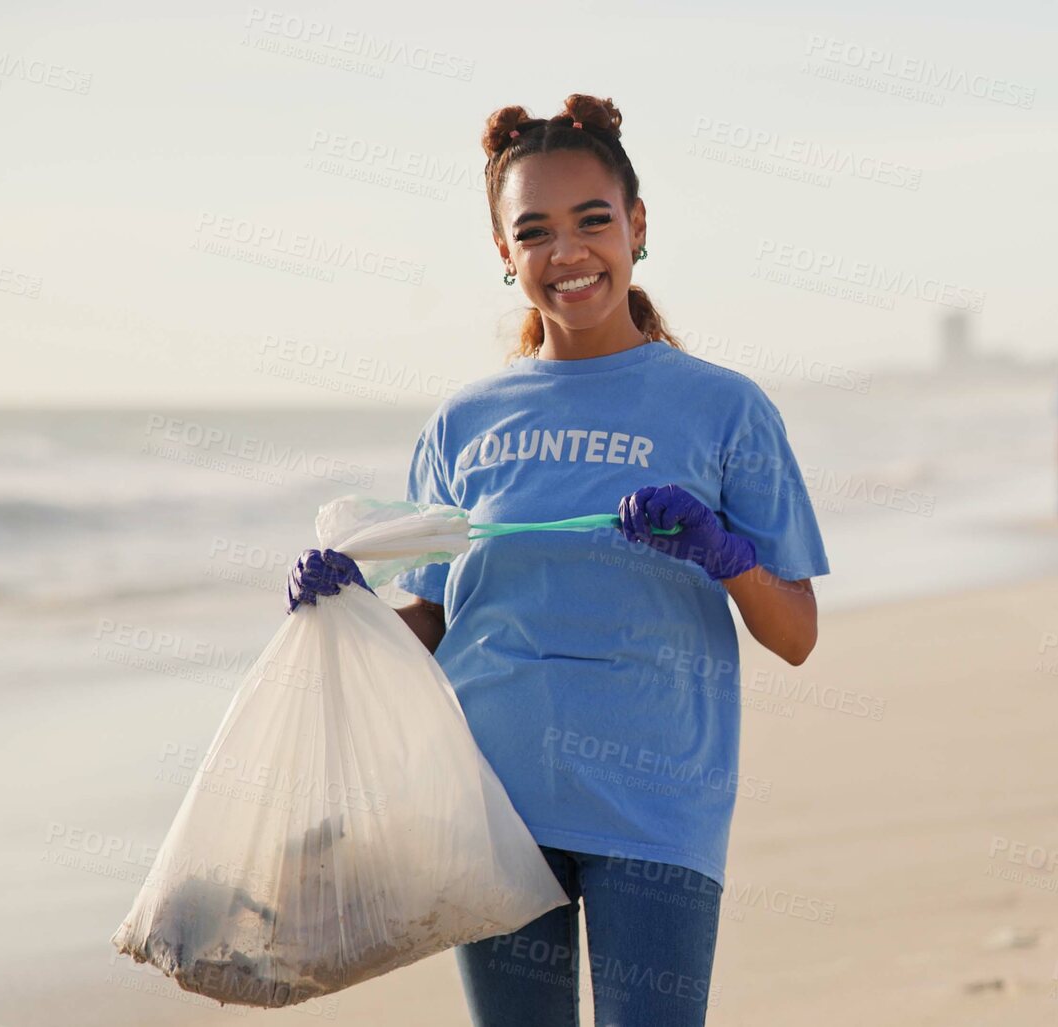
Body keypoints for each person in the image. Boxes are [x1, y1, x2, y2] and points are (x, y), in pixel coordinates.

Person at [289, 94, 828, 1027]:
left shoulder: (725, 409)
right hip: (490, 808)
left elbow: (796, 635)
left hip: (658, 806)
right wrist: (349, 610)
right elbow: (435, 620)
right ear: (504, 253)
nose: (567, 253)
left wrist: (722, 552)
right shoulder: (463, 424)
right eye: (533, 231)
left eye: (592, 221)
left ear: (638, 226)